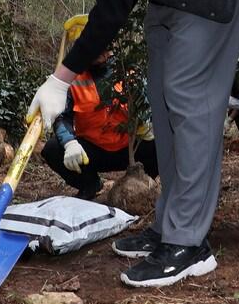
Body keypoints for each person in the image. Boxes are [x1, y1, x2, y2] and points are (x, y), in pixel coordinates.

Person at [0, 0, 239, 288]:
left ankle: (189, 244)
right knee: (164, 103)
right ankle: (171, 227)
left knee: (190, 101)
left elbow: (113, 8)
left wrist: (61, 79)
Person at [39, 50, 158, 199]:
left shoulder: (129, 71)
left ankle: (147, 184)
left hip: (131, 146)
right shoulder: (73, 78)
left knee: (165, 141)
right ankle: (90, 185)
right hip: (94, 150)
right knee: (53, 149)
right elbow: (62, 116)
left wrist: (148, 123)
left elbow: (150, 104)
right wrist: (69, 142)